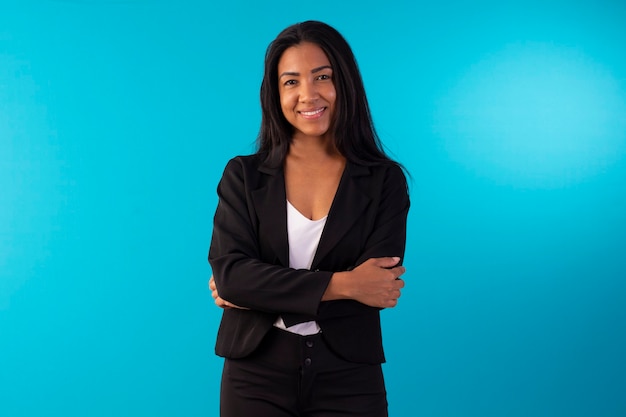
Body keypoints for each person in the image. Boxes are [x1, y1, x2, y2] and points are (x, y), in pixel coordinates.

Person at [208, 20, 410, 417]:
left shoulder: (385, 180)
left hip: (350, 373)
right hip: (255, 372)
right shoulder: (243, 176)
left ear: (345, 83)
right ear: (274, 93)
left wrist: (255, 292)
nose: (308, 94)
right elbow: (232, 276)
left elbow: (378, 287)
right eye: (291, 82)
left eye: (322, 77)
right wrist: (345, 284)